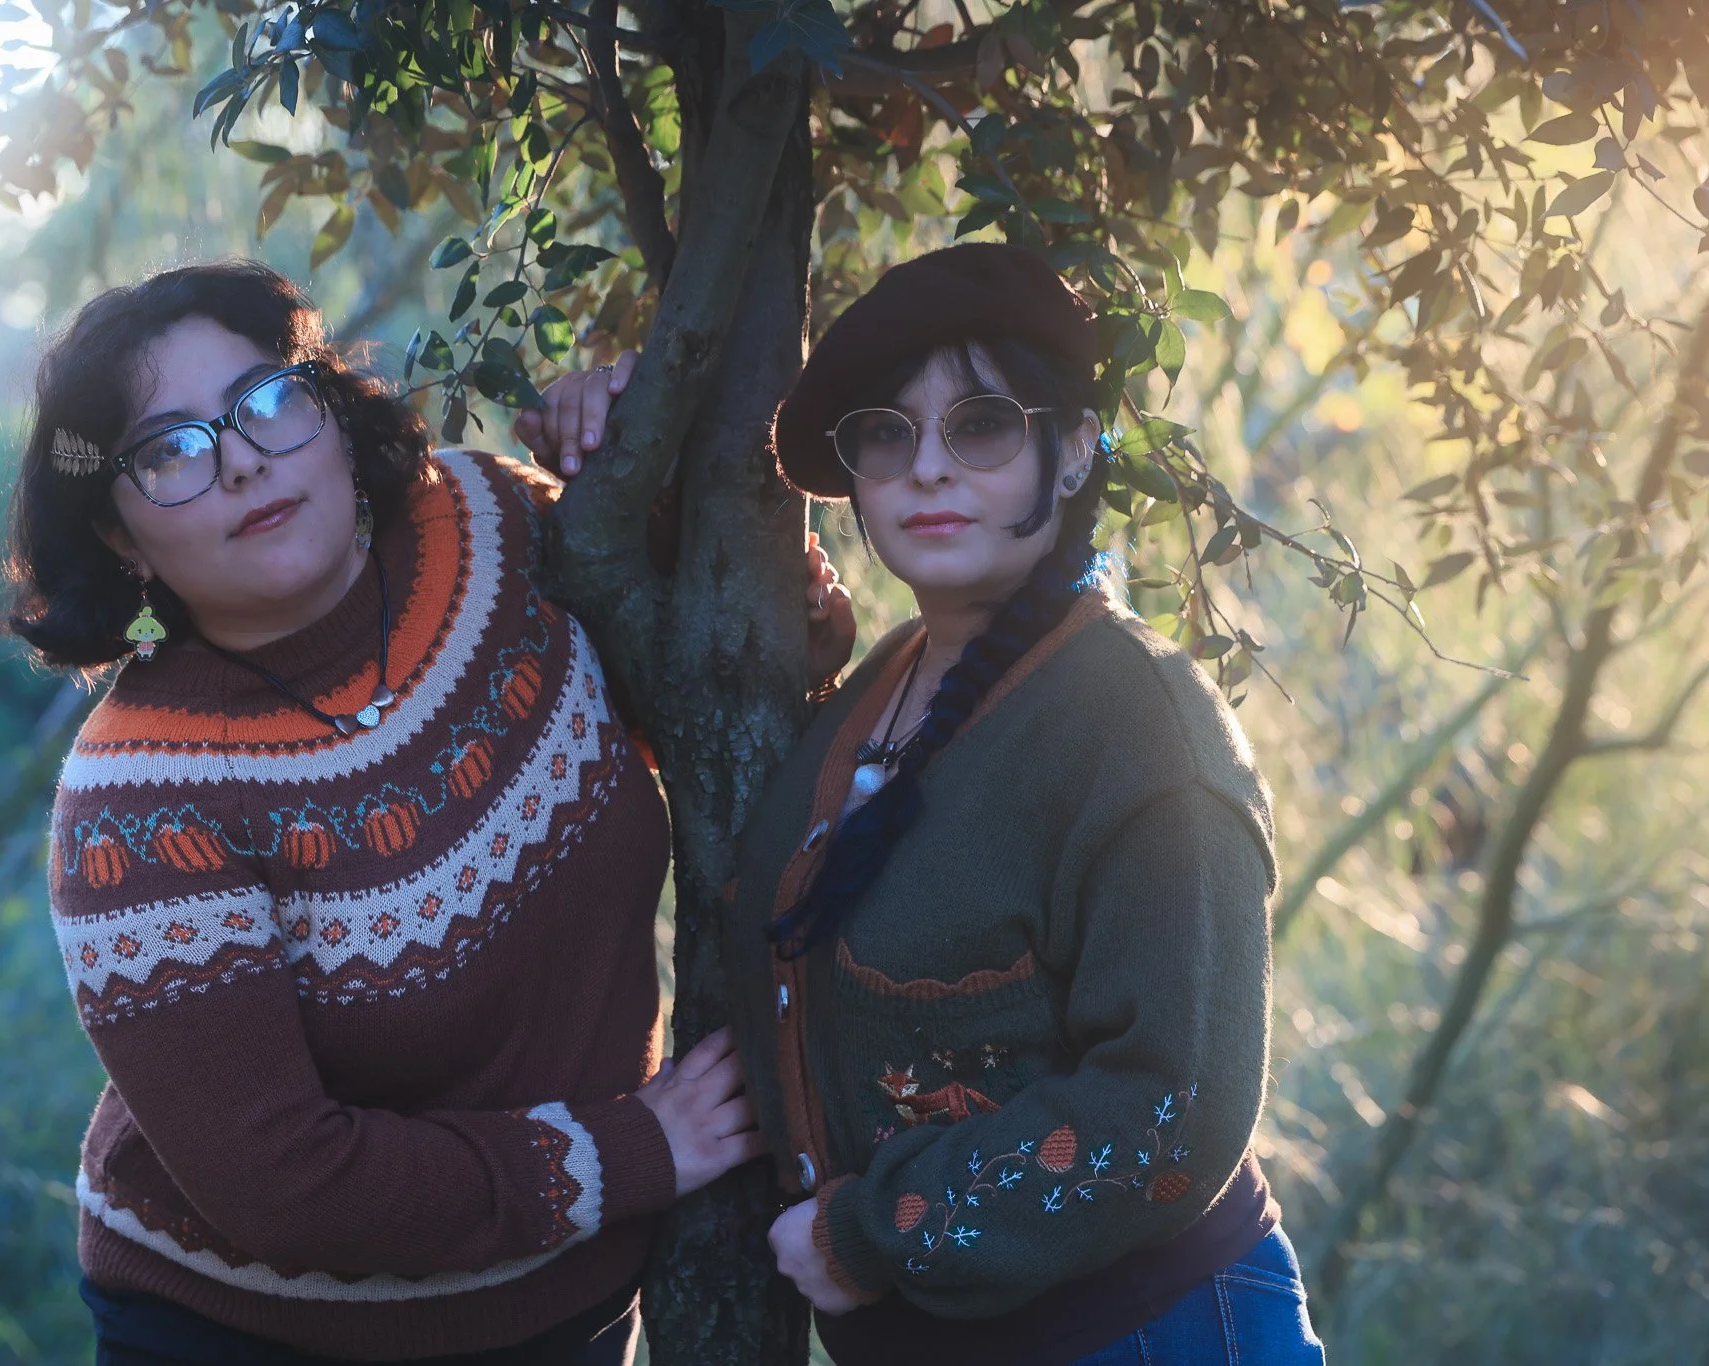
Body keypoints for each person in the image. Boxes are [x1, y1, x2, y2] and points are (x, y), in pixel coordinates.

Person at [4, 261, 841, 1365]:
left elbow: (772, 667)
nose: (244, 459)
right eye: (168, 451)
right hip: (253, 1332)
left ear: (328, 409)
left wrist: (658, 470)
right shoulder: (138, 802)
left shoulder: (489, 527)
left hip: (566, 1305)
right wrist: (626, 1149)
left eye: (265, 400)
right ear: (117, 534)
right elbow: (285, 1186)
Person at [543, 243, 1324, 1364]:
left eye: (981, 426)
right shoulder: (878, 691)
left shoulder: (1139, 726)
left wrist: (872, 1236)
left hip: (1141, 1331)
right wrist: (625, 450)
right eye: (886, 433)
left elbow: (1172, 1107)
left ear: (1069, 453)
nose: (926, 469)